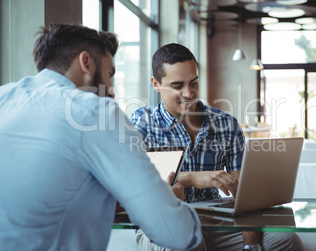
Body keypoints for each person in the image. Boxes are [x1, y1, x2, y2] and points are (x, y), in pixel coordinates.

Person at [0, 24, 202, 251]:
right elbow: (178, 234)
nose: (111, 88)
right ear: (85, 62)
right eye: (109, 74)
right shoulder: (95, 111)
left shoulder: (5, 96)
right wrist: (172, 198)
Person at [130, 43, 303, 251]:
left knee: (287, 241)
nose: (188, 93)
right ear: (156, 84)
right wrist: (193, 178)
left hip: (214, 222)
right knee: (184, 245)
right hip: (162, 220)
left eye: (193, 83)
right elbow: (134, 184)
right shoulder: (143, 123)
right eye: (177, 86)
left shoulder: (226, 124)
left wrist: (252, 245)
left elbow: (245, 198)